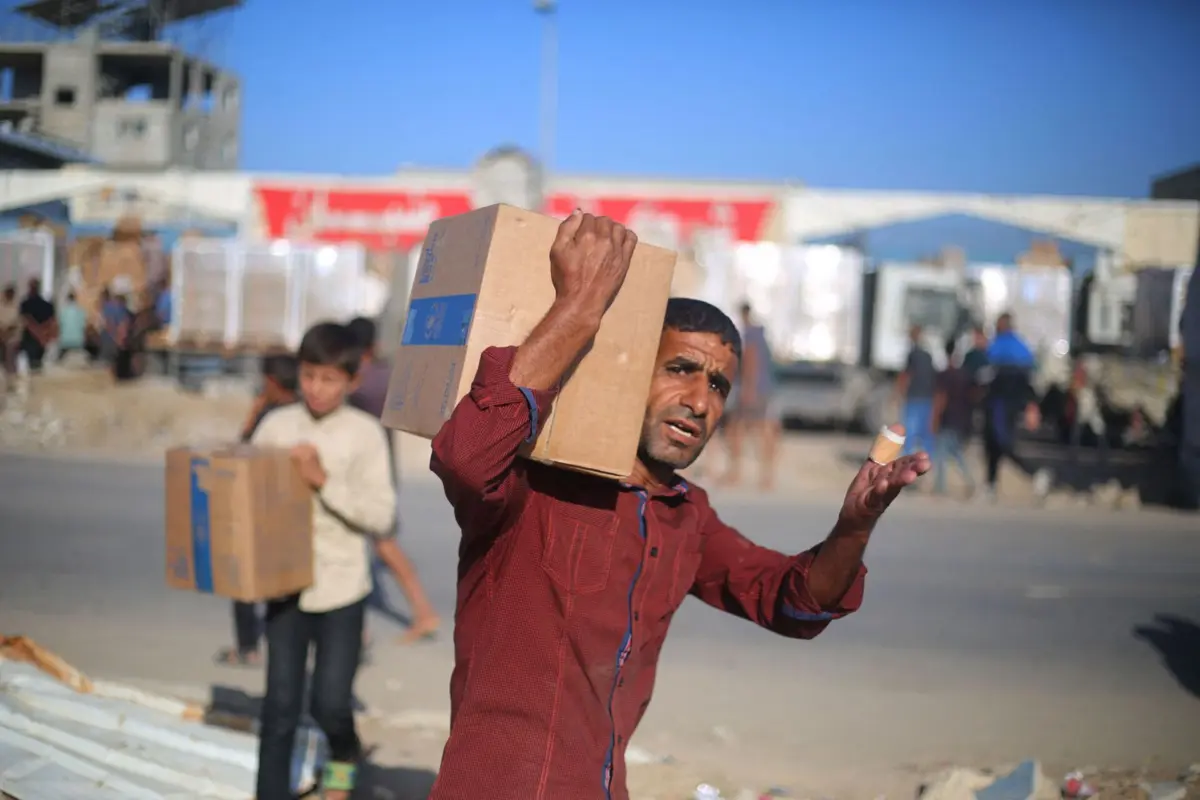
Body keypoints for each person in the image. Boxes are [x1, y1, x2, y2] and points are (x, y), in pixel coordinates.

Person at [426, 211, 929, 800]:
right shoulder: (534, 484)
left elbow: (795, 603)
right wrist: (580, 308)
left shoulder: (685, 516)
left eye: (718, 386)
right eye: (681, 369)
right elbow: (465, 455)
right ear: (631, 372)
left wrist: (854, 525)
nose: (699, 401)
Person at [251, 322, 396, 800]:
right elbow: (244, 502)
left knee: (331, 703)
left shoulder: (366, 434)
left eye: (329, 379)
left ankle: (343, 758)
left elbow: (381, 515)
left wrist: (321, 480)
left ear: (352, 381)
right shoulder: (275, 427)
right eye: (310, 376)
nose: (317, 388)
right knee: (280, 709)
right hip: (284, 587)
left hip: (342, 590)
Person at [345, 315, 441, 644]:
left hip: (366, 478)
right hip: (380, 472)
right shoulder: (385, 375)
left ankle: (423, 612)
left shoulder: (363, 381)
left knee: (383, 545)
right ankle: (357, 627)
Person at [213, 352, 300, 667]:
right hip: (292, 512)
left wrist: (253, 415)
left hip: (263, 509)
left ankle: (248, 647)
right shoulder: (302, 413)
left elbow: (246, 450)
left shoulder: (271, 416)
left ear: (272, 382)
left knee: (245, 581)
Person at [981, 312, 1051, 503]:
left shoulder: (999, 346)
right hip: (1009, 403)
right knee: (993, 445)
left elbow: (986, 372)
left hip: (1000, 402)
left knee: (1001, 442)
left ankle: (1035, 472)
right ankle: (990, 486)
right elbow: (1030, 379)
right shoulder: (1022, 347)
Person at [721, 301, 780, 490]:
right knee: (763, 431)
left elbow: (751, 361)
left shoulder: (750, 333)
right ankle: (766, 477)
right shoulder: (761, 333)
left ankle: (736, 472)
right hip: (764, 388)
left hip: (753, 389)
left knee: (738, 430)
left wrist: (748, 390)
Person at [931, 339, 977, 497]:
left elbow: (941, 398)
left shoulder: (945, 375)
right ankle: (968, 480)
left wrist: (934, 419)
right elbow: (972, 396)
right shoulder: (964, 375)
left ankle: (940, 486)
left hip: (948, 419)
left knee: (942, 454)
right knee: (955, 452)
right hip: (961, 419)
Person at [894, 324, 937, 456]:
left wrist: (899, 393)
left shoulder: (912, 354)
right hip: (927, 397)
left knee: (909, 431)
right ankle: (926, 460)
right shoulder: (928, 355)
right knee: (926, 432)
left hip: (914, 398)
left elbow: (905, 375)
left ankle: (906, 459)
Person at [18, 278, 56, 372]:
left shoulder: (25, 304)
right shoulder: (47, 305)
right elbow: (50, 321)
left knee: (33, 364)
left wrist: (37, 332)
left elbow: (26, 321)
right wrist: (42, 334)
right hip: (41, 337)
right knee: (37, 364)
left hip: (31, 337)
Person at [56, 292, 88, 361]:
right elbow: (84, 327)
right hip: (78, 341)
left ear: (67, 299)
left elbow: (59, 327)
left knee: (58, 357)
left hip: (65, 342)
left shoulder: (63, 312)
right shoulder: (81, 311)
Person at [0, 284, 19, 378]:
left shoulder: (15, 306)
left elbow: (16, 322)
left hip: (11, 337)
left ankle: (11, 379)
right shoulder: (1, 305)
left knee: (10, 360)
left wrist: (7, 332)